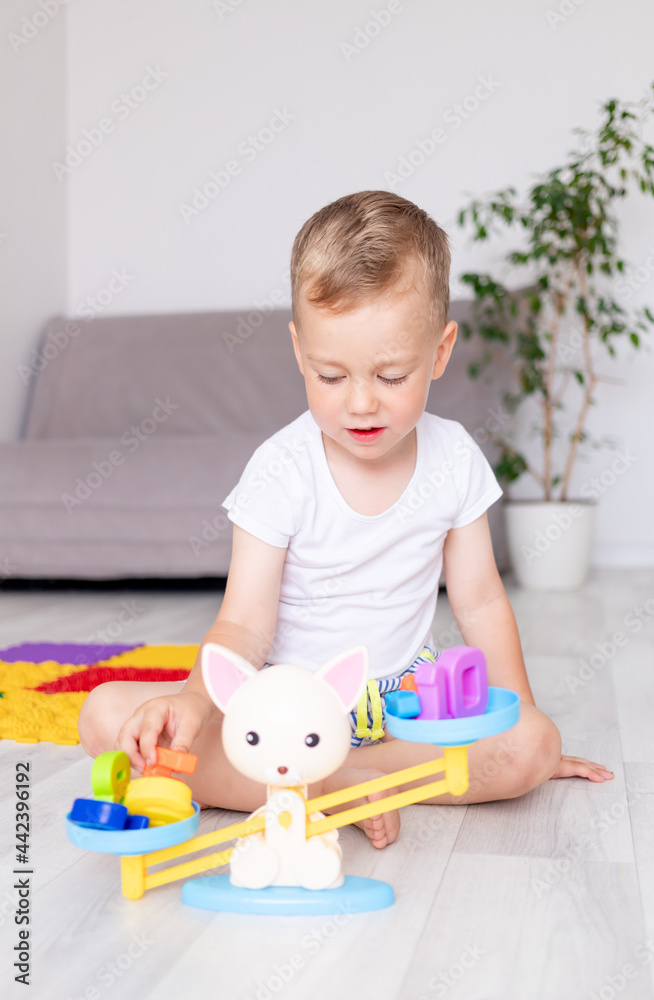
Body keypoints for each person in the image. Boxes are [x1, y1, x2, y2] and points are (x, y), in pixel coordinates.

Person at [78, 190, 614, 850]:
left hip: (394, 722)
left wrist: (519, 720)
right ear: (300, 352)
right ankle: (329, 785)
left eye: (391, 375)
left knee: (532, 744)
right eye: (330, 376)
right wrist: (192, 701)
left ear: (440, 352)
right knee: (105, 715)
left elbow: (478, 602)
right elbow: (244, 623)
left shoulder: (452, 460)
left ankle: (324, 782)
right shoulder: (281, 469)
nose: (360, 404)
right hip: (276, 723)